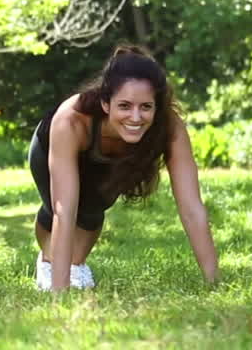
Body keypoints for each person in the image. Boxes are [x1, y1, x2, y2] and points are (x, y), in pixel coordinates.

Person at [30, 45, 218, 292]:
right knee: (63, 205)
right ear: (106, 103)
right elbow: (64, 211)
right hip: (51, 148)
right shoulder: (72, 120)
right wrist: (59, 293)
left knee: (93, 207)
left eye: (146, 107)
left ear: (157, 106)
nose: (135, 117)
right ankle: (49, 263)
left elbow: (192, 208)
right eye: (125, 106)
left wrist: (214, 283)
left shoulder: (170, 127)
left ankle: (73, 264)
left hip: (108, 161)